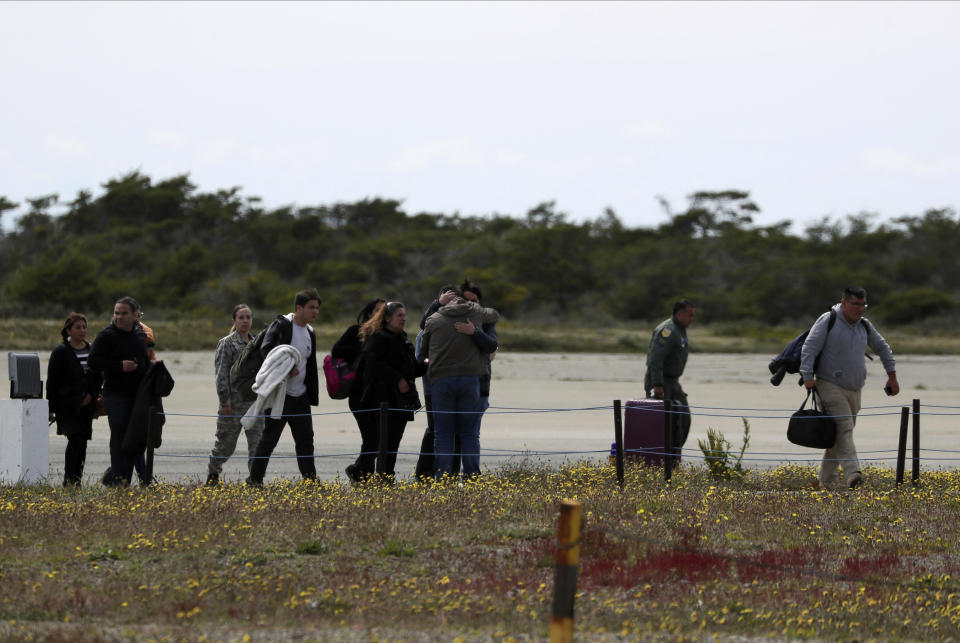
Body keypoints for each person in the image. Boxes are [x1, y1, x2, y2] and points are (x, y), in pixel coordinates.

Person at [800, 287, 899, 489]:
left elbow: (883, 348)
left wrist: (892, 376)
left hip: (855, 388)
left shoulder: (865, 325)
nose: (860, 309)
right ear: (844, 302)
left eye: (863, 305)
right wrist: (807, 376)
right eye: (856, 304)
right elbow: (809, 348)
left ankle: (826, 482)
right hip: (828, 384)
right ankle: (853, 474)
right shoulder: (828, 320)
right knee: (844, 427)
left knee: (840, 434)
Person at [414, 283, 498, 479]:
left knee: (442, 433)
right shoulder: (477, 315)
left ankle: (441, 476)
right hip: (471, 380)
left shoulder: (434, 319)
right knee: (469, 433)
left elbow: (424, 349)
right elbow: (494, 320)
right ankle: (471, 476)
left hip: (442, 381)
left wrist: (437, 305)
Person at [247, 289, 322, 485]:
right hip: (280, 394)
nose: (315, 312)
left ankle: (310, 481)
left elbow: (310, 363)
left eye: (317, 308)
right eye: (311, 307)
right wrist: (287, 369)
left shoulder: (310, 332)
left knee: (306, 441)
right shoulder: (282, 325)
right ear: (299, 308)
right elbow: (267, 349)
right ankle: (254, 480)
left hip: (301, 396)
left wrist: (311, 393)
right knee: (268, 440)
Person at [353, 301, 427, 481]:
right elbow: (373, 365)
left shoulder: (403, 337)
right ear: (387, 318)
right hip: (381, 399)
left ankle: (384, 476)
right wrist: (397, 378)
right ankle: (368, 474)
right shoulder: (377, 337)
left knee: (393, 441)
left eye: (404, 315)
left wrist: (425, 365)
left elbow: (409, 368)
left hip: (402, 399)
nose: (403, 319)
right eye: (399, 315)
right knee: (380, 441)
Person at [88, 296, 150, 486]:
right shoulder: (106, 336)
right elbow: (93, 362)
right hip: (114, 395)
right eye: (116, 313)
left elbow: (145, 362)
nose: (119, 317)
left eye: (124, 313)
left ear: (135, 315)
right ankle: (117, 478)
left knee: (135, 439)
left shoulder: (140, 335)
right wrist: (119, 366)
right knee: (119, 438)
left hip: (136, 396)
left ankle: (125, 477)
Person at [206, 304, 264, 485]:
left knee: (257, 444)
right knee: (225, 444)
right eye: (241, 317)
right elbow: (221, 374)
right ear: (234, 320)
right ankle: (213, 476)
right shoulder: (227, 343)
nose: (245, 321)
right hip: (233, 402)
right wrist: (225, 402)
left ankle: (254, 480)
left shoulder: (257, 343)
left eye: (248, 317)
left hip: (254, 402)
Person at [332, 298, 386, 483]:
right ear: (370, 313)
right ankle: (361, 473)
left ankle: (359, 470)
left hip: (379, 395)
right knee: (371, 437)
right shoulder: (356, 331)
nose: (382, 314)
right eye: (378, 310)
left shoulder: (387, 334)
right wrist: (364, 347)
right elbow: (336, 351)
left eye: (385, 311)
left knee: (378, 439)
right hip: (358, 394)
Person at [46, 313, 102, 487]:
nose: (82, 330)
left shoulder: (92, 349)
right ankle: (69, 480)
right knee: (75, 439)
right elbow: (52, 381)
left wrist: (91, 396)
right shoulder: (61, 352)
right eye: (78, 327)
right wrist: (50, 407)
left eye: (84, 327)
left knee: (83, 442)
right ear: (68, 330)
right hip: (66, 405)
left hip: (87, 405)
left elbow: (98, 377)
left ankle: (77, 480)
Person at [644, 299, 695, 451]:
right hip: (661, 381)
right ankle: (659, 456)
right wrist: (658, 384)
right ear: (680, 314)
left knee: (683, 418)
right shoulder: (668, 330)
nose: (692, 319)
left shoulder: (680, 329)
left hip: (673, 381)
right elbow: (655, 359)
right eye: (690, 315)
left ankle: (673, 454)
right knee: (662, 422)